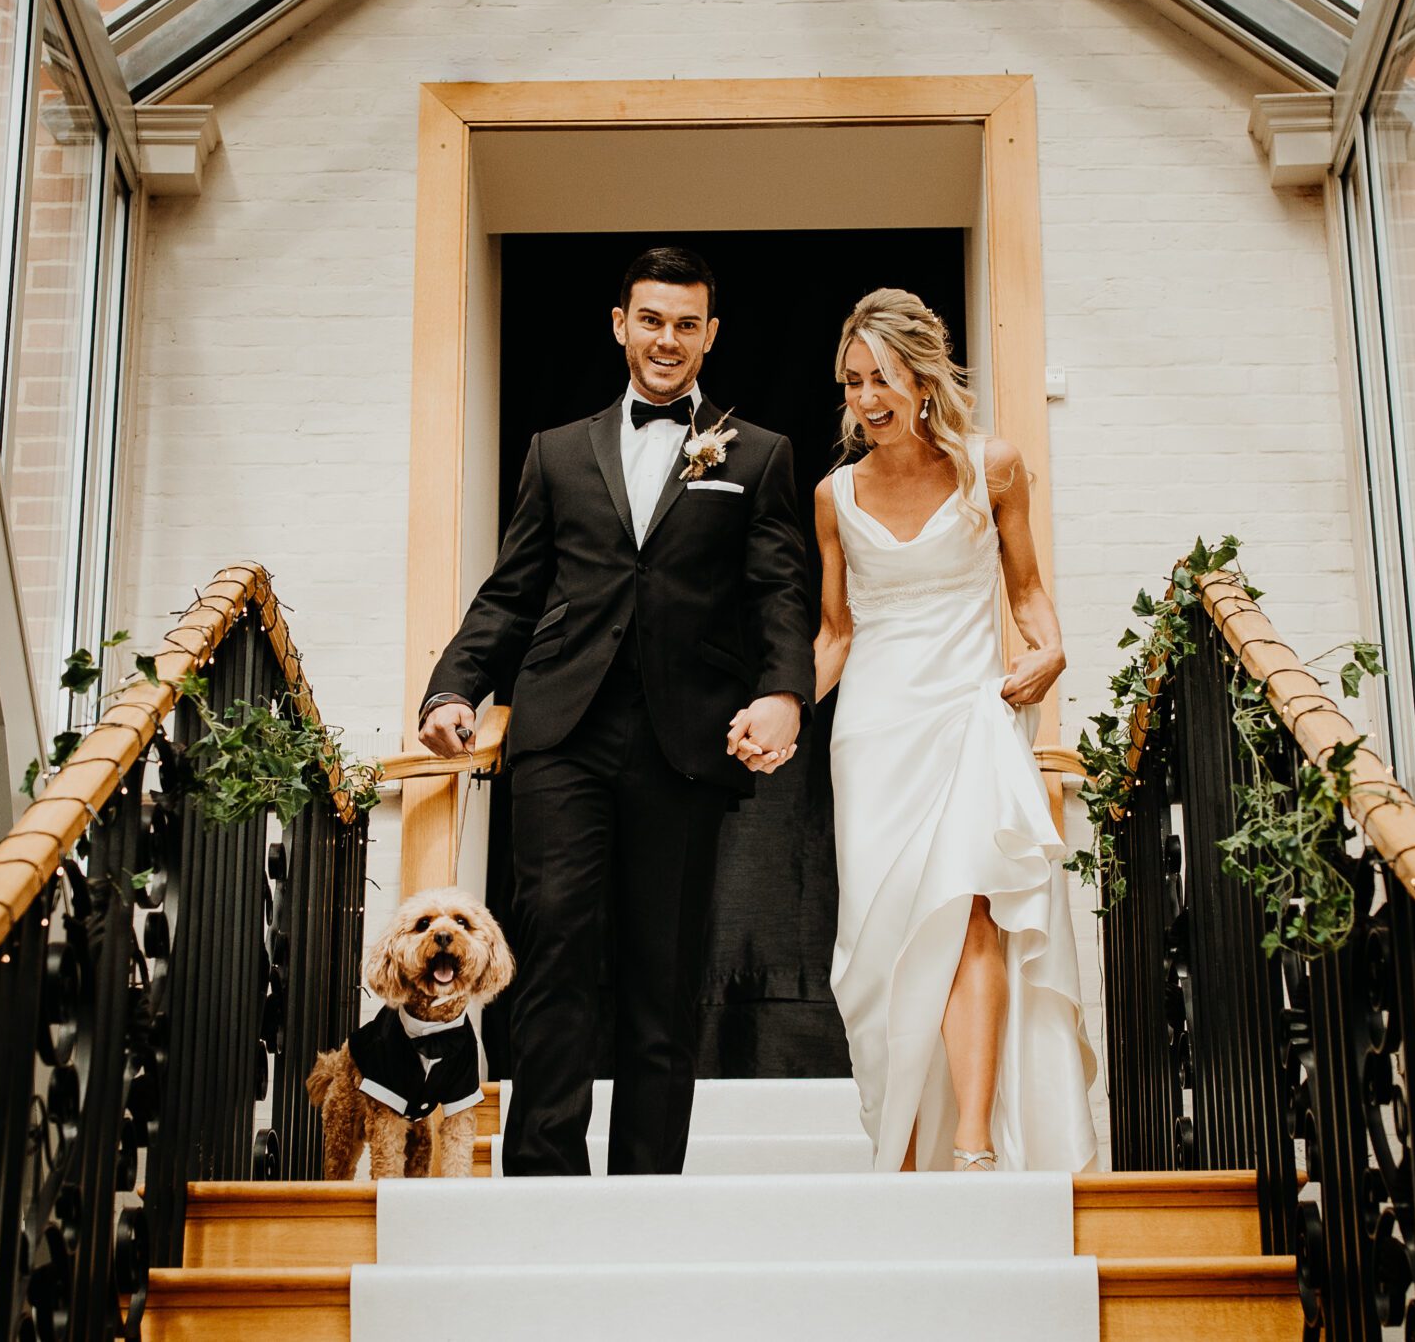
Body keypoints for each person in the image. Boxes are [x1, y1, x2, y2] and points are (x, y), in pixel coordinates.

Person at [419, 246, 815, 1176]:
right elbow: (512, 590)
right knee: (554, 949)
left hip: (686, 741)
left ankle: (645, 1191)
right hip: (563, 733)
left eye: (686, 324)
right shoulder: (556, 451)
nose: (667, 339)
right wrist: (454, 686)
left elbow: (780, 591)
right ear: (619, 324)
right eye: (651, 320)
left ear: (711, 335)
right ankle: (544, 1179)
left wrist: (783, 692)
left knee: (663, 973)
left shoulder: (757, 453)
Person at [810, 287, 1097, 1173]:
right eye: (853, 381)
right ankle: (899, 1144)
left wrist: (1051, 649)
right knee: (883, 938)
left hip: (970, 714)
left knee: (973, 908)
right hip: (874, 731)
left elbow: (1026, 590)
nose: (867, 398)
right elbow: (835, 634)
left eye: (883, 378)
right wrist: (776, 710)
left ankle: (972, 1142)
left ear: (924, 377)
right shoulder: (833, 495)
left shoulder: (992, 467)